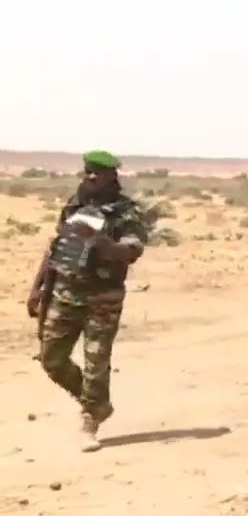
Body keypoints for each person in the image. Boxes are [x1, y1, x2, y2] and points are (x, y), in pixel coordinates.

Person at [26, 151, 148, 452]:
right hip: (65, 293)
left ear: (112, 176)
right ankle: (97, 402)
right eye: (88, 171)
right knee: (51, 359)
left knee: (96, 361)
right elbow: (56, 247)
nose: (91, 177)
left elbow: (132, 250)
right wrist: (37, 287)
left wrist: (102, 244)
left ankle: (90, 418)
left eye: (98, 172)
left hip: (103, 297)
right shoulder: (75, 205)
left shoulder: (125, 212)